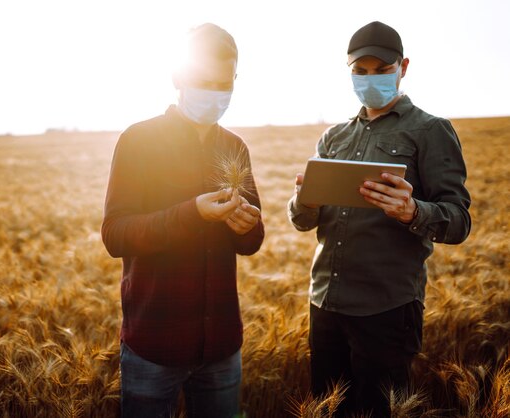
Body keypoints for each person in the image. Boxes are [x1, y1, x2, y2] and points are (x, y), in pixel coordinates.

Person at [288, 21, 471, 417]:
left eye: (382, 70)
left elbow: (459, 219)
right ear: (350, 72)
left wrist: (413, 211)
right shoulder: (334, 137)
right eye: (361, 71)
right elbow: (303, 222)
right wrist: (305, 201)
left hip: (386, 311)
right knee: (326, 408)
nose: (370, 79)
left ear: (403, 67)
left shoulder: (430, 130)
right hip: (325, 303)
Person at [101, 23, 264, 418]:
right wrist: (192, 214)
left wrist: (248, 226)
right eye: (203, 80)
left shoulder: (234, 146)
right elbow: (115, 234)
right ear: (178, 77)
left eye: (223, 82)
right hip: (153, 347)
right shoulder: (139, 141)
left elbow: (252, 240)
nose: (214, 91)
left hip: (221, 348)